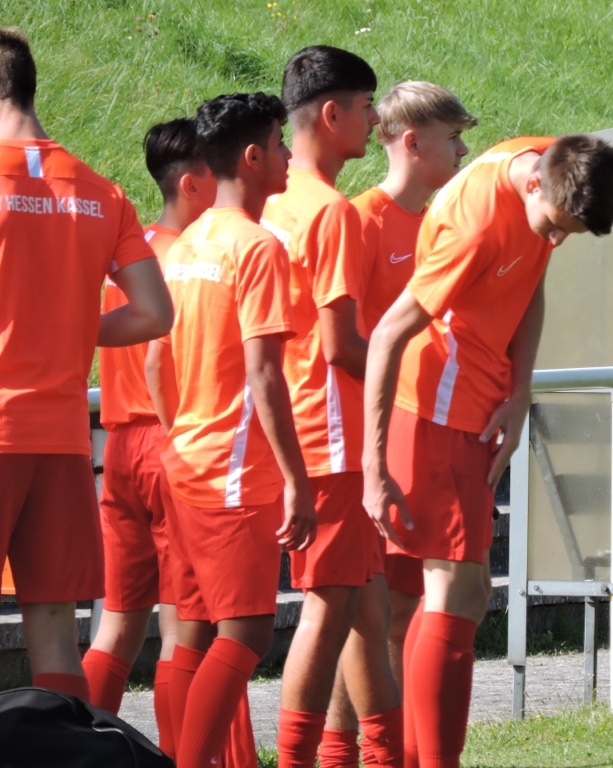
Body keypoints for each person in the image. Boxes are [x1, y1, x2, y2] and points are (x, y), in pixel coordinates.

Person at [362, 133, 613, 767]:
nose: (556, 241)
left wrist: (520, 389)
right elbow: (388, 335)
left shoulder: (550, 161)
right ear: (534, 185)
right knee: (454, 594)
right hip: (436, 411)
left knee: (463, 594)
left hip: (474, 408)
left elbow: (531, 279)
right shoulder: (475, 226)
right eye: (554, 227)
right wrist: (373, 465)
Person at [0, 27, 172, 702]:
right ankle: (61, 749)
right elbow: (154, 312)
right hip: (63, 439)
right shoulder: (101, 191)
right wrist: (71, 330)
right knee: (53, 628)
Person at [147, 91, 317, 768]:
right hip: (235, 474)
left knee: (191, 633)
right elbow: (266, 375)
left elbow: (156, 359)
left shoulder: (185, 244)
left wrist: (179, 434)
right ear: (252, 157)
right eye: (279, 144)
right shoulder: (257, 247)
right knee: (245, 634)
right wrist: (297, 481)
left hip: (186, 463)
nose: (288, 156)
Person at [85, 117, 258, 767]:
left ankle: (74, 747)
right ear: (191, 183)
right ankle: (193, 757)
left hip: (118, 448)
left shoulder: (127, 258)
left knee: (118, 624)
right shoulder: (193, 259)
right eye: (215, 173)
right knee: (189, 630)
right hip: (173, 443)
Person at [325, 80, 477, 767]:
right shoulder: (361, 220)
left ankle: (403, 753)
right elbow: (344, 343)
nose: (464, 151)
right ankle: (340, 752)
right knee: (367, 618)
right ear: (413, 143)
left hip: (429, 440)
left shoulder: (447, 220)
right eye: (454, 137)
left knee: (410, 610)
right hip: (372, 447)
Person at [259, 45, 399, 768]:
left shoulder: (270, 200)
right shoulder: (331, 211)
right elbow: (341, 344)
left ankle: (376, 756)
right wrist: (404, 372)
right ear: (331, 114)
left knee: (367, 607)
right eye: (368, 106)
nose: (375, 121)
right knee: (329, 605)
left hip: (291, 420)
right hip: (332, 429)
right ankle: (298, 760)